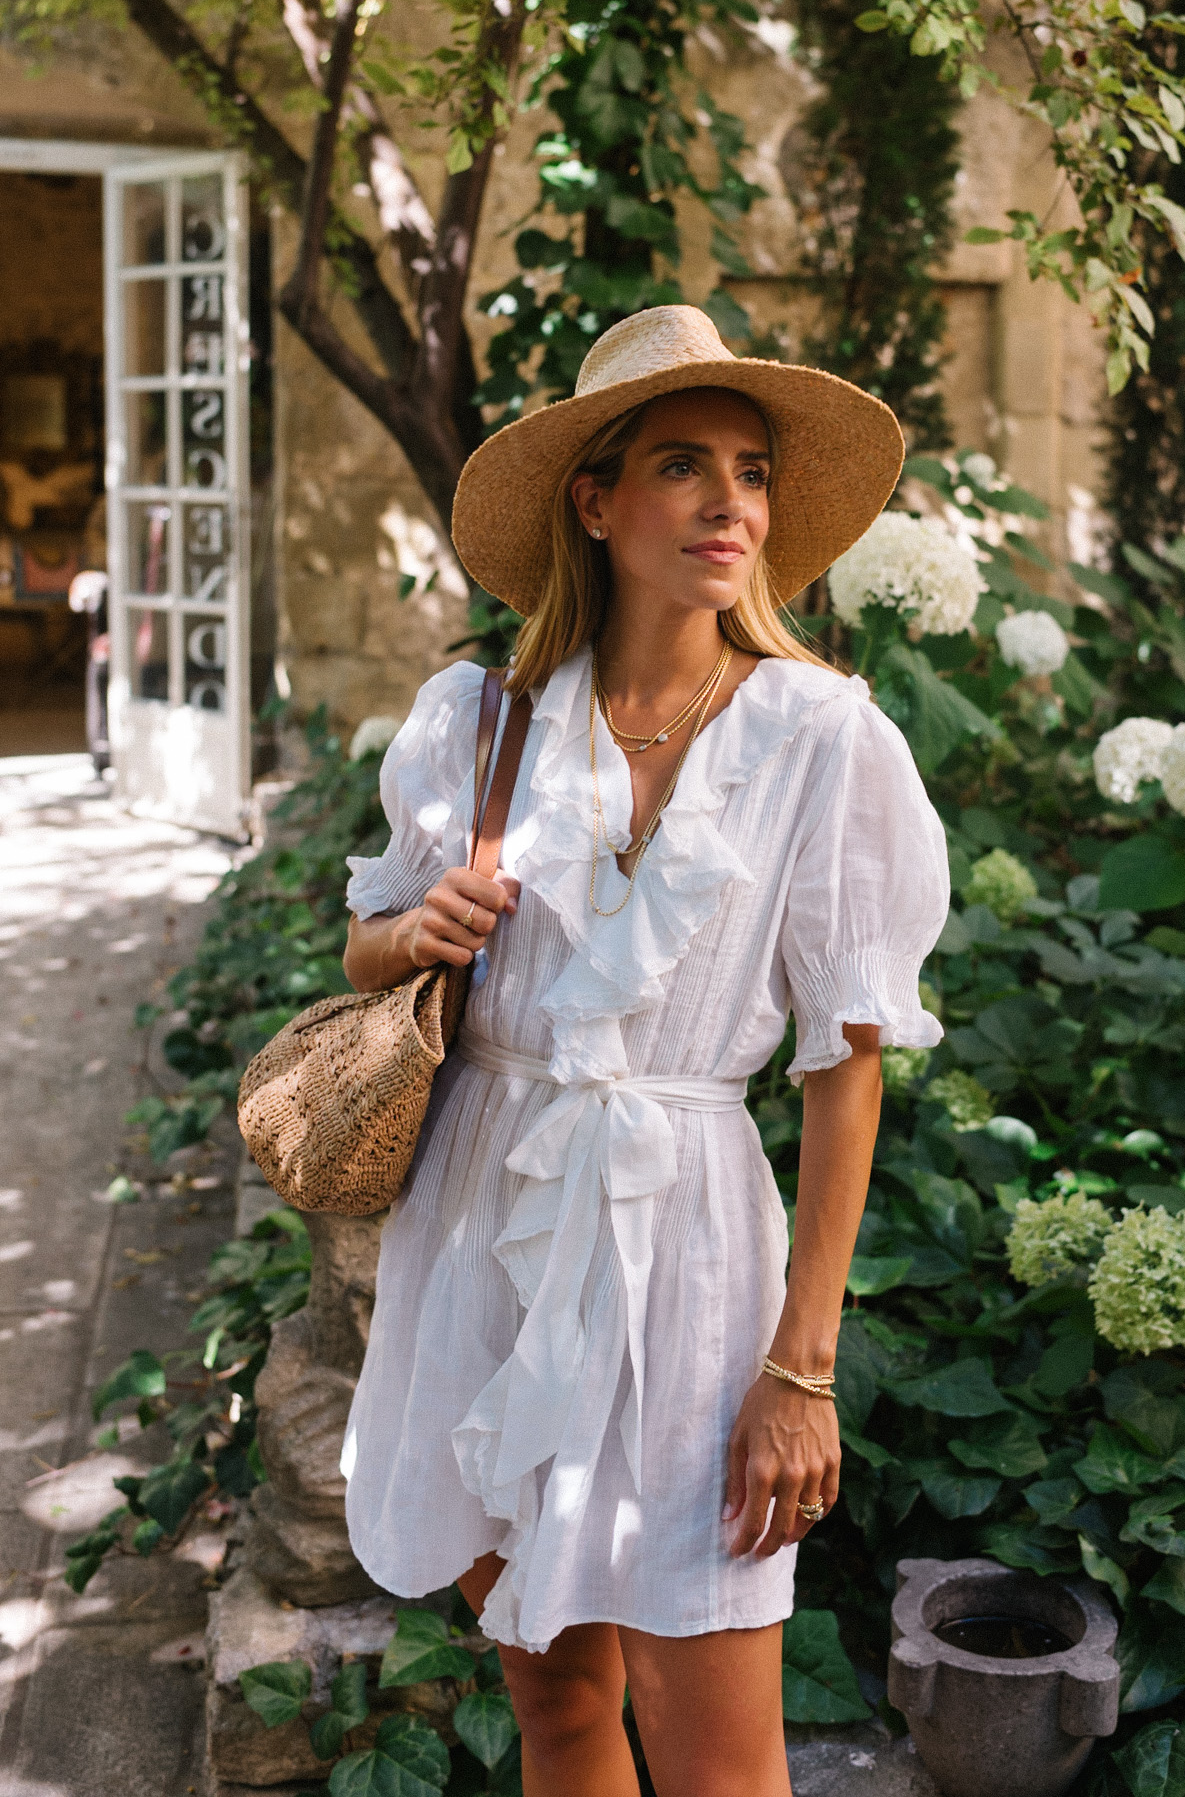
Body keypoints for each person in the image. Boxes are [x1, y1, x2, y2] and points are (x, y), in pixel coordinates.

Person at [341, 306, 950, 1797]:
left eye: (750, 470)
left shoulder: (825, 740)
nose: (730, 501)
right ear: (596, 502)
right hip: (492, 1230)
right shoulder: (477, 722)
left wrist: (800, 1368)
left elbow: (846, 1058)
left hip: (690, 1251)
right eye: (683, 464)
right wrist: (418, 927)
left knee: (719, 1755)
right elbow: (360, 953)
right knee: (556, 1712)